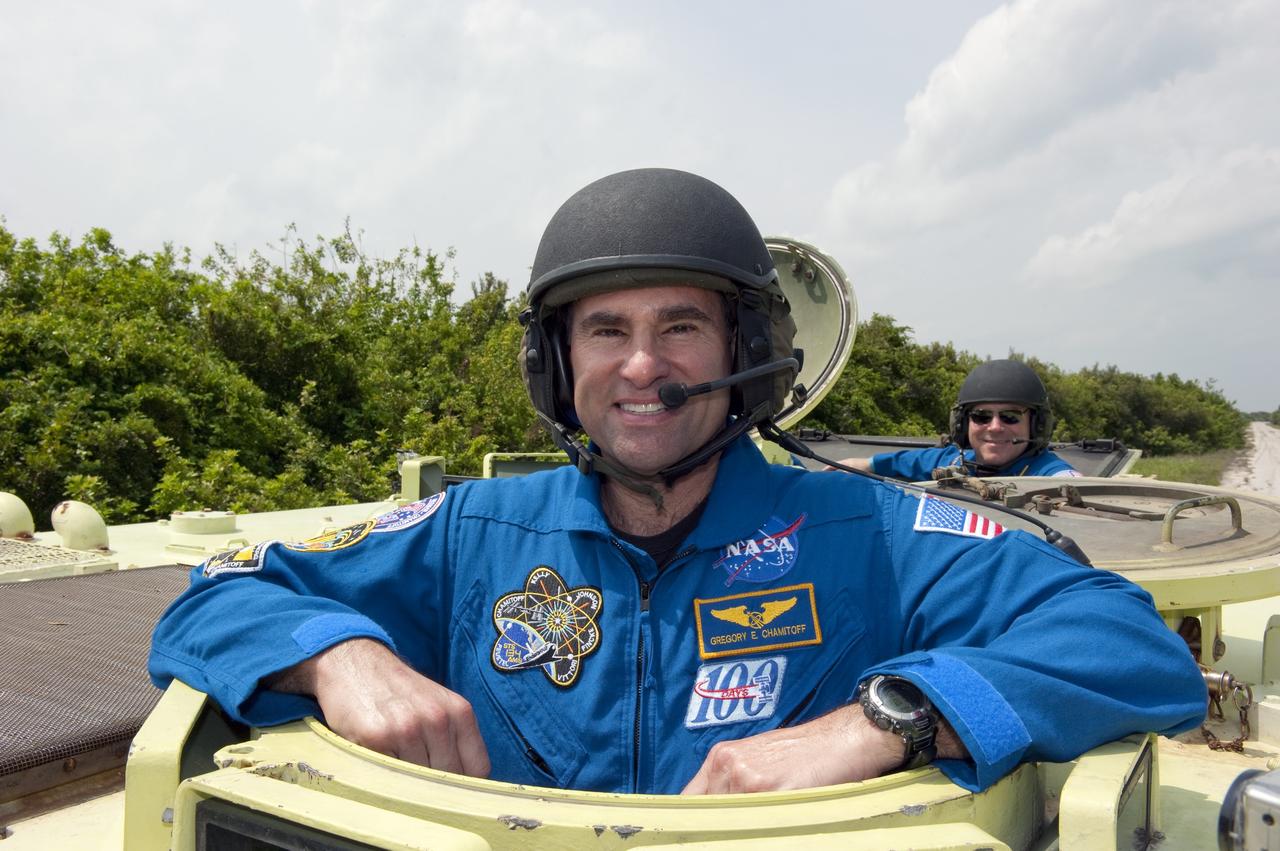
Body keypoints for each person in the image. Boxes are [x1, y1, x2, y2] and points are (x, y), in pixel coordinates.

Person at [149, 168, 1205, 796]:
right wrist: (339, 652)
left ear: (745, 347)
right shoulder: (475, 529)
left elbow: (1128, 644)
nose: (641, 366)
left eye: (680, 326)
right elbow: (214, 594)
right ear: (556, 364)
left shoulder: (870, 533)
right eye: (605, 329)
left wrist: (889, 716)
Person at [842, 359, 1083, 481]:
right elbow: (909, 462)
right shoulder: (958, 461)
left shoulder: (1049, 475)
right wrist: (865, 464)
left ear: (1036, 424)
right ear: (963, 424)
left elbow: (1075, 492)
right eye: (981, 416)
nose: (995, 427)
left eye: (1010, 416)